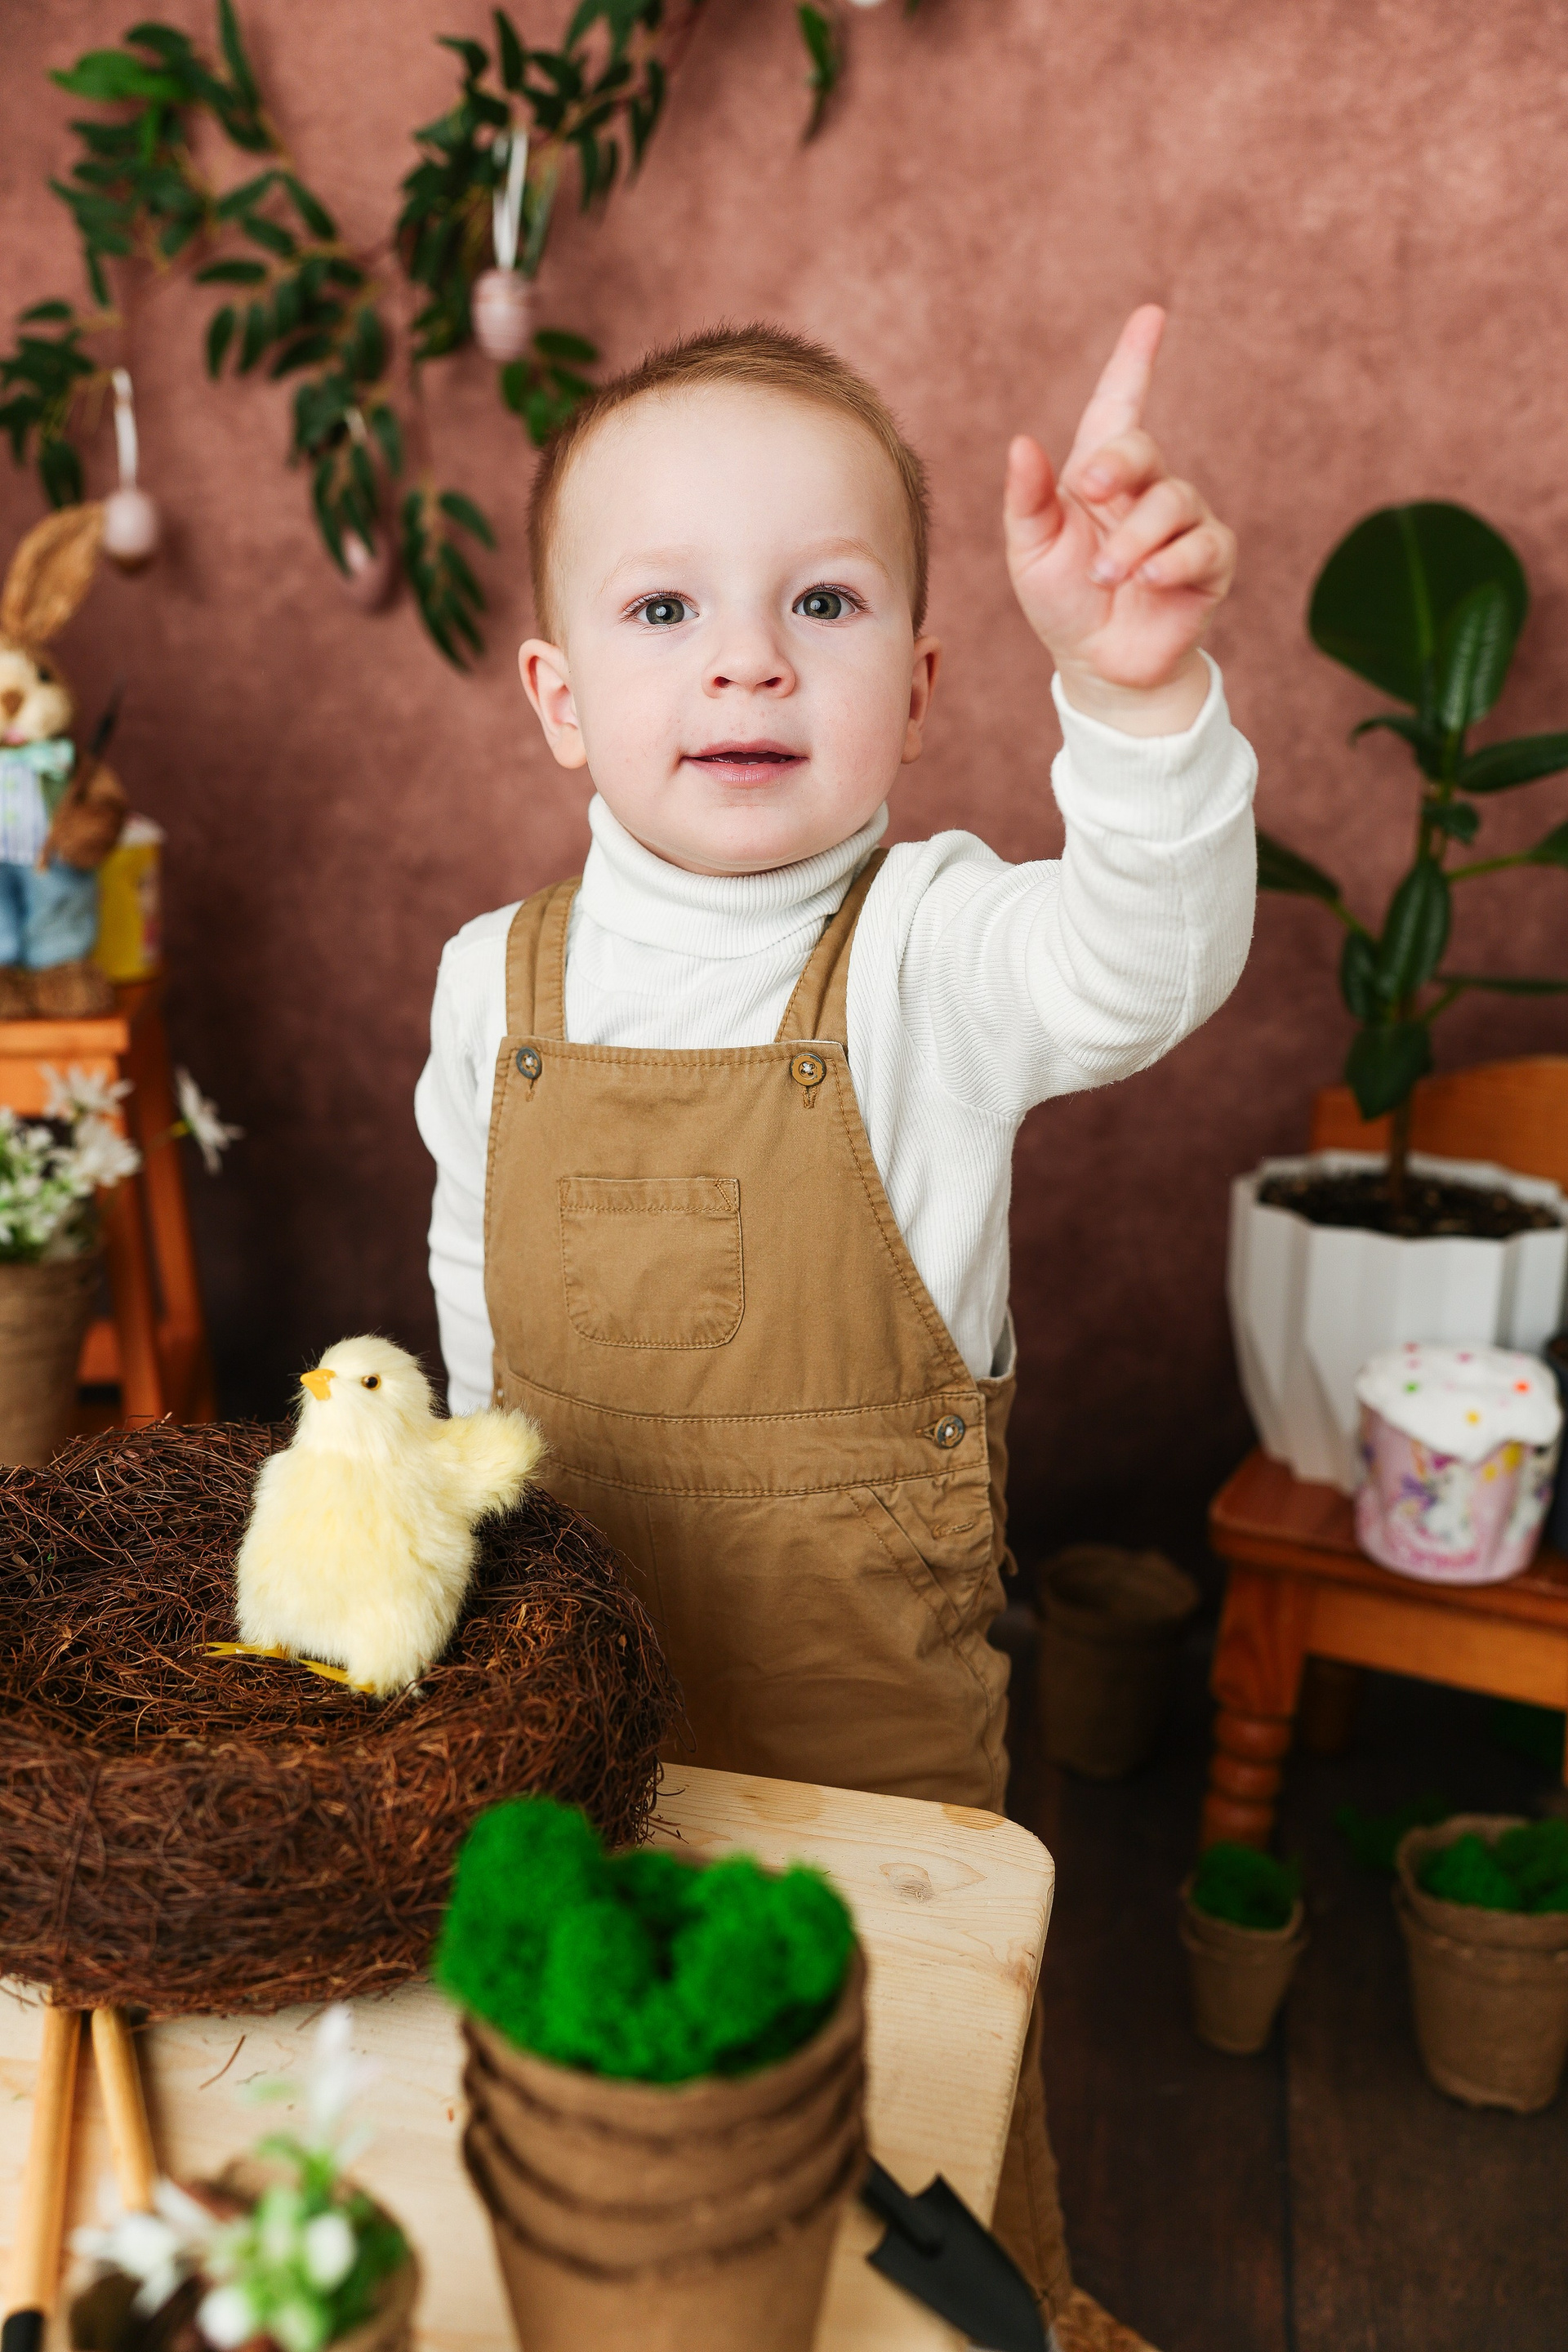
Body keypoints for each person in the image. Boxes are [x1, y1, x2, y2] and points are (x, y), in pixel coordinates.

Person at [416, 306, 1254, 2352]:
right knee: (605, 2135)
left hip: (869, 1735)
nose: (749, 661)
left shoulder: (935, 953)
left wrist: (1135, 695)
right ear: (557, 697)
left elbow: (1145, 959)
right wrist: (449, 1566)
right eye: (665, 607)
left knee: (905, 2150)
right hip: (579, 1706)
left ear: (923, 686)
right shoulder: (490, 982)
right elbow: (473, 1306)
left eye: (823, 600)